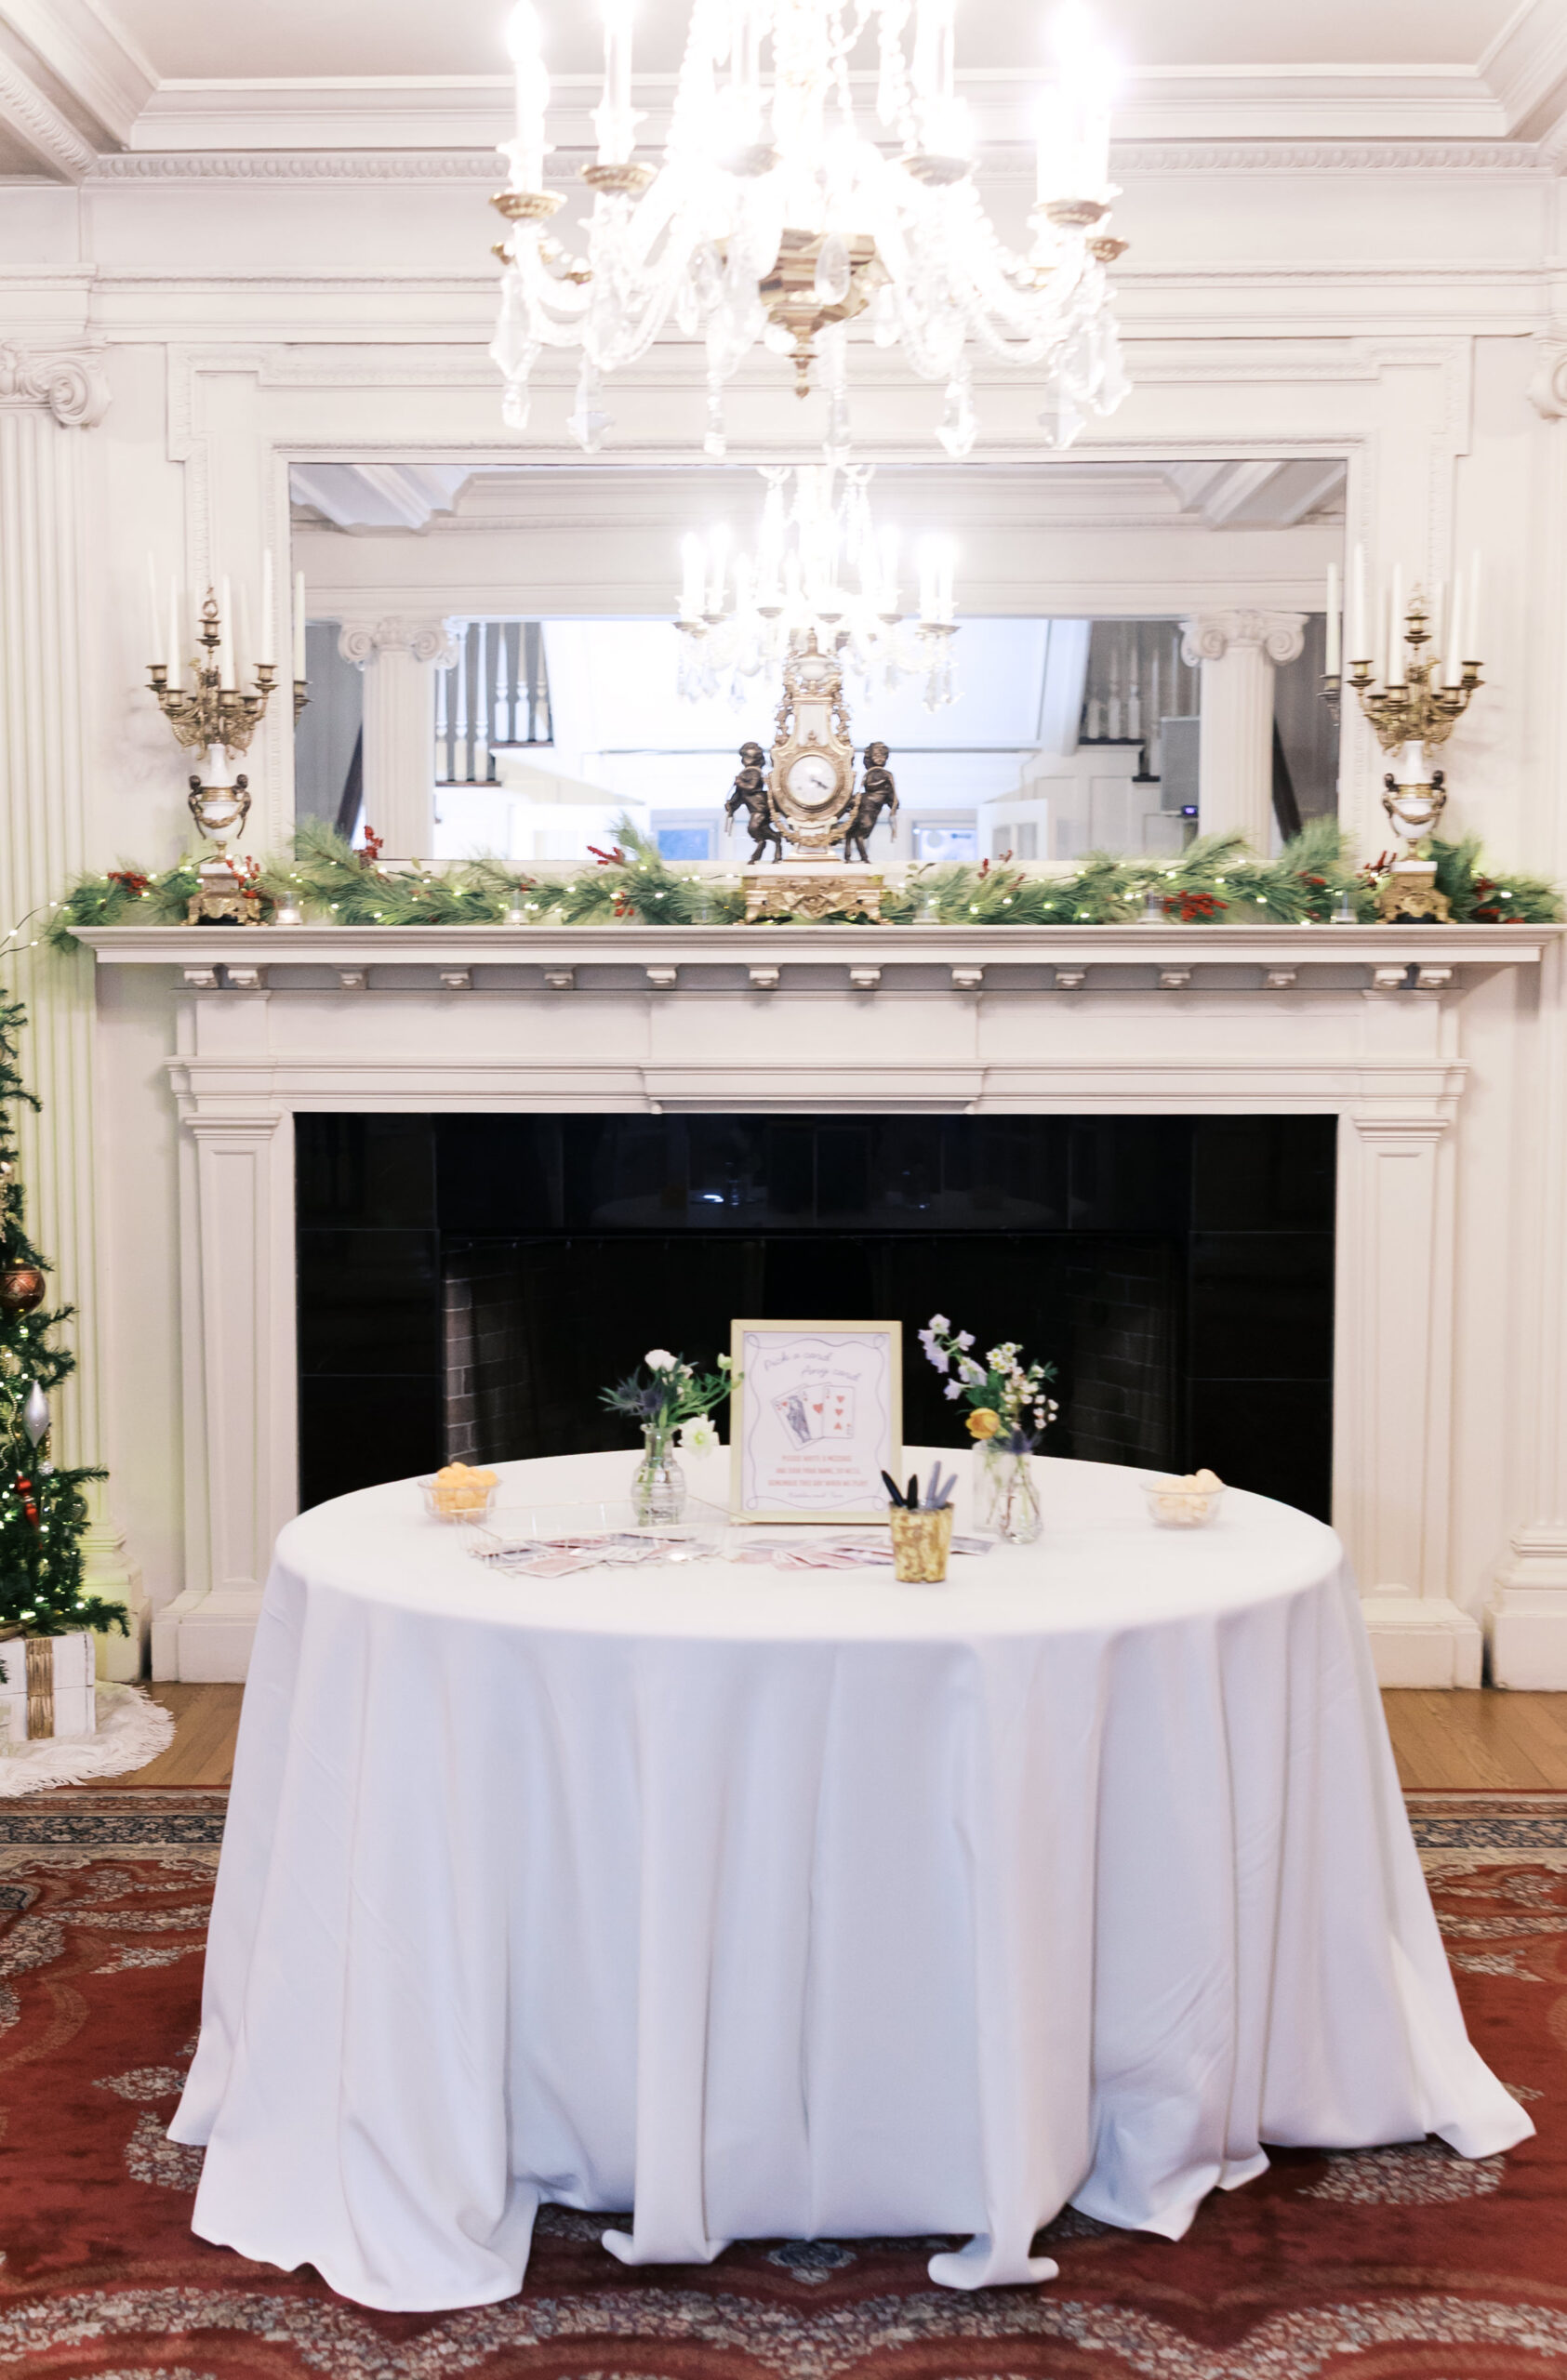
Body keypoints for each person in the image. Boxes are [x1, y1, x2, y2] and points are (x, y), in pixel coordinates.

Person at [725, 742, 782, 865]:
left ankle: (761, 845)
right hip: (754, 808)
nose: (745, 760)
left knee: (754, 828)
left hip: (759, 807)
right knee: (759, 830)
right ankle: (773, 843)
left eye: (747, 758)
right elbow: (739, 794)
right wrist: (732, 805)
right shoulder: (746, 773)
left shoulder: (754, 772)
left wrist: (740, 782)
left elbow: (752, 787)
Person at [844, 742, 897, 864]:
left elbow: (891, 795)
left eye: (883, 755)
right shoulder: (880, 775)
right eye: (877, 755)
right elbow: (870, 784)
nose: (880, 758)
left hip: (872, 807)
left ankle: (851, 856)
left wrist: (893, 802)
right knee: (859, 834)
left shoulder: (883, 774)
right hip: (868, 806)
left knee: (855, 832)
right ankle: (863, 858)